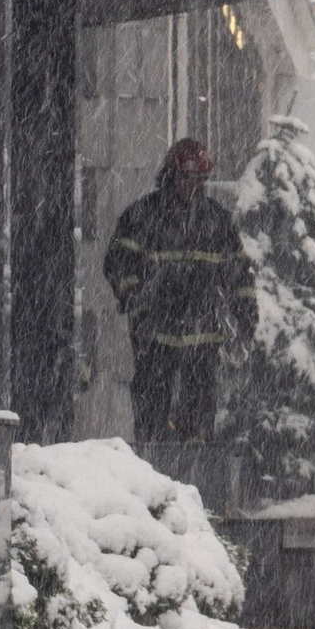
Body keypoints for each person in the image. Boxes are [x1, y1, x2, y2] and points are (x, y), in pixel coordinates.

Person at [103, 140, 254, 446]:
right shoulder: (141, 216)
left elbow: (239, 273)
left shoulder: (217, 221)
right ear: (170, 175)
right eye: (187, 177)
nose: (193, 185)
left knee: (199, 421)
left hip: (203, 338)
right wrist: (139, 303)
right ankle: (153, 457)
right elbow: (118, 265)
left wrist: (246, 314)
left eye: (200, 179)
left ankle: (195, 460)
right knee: (152, 414)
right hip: (154, 338)